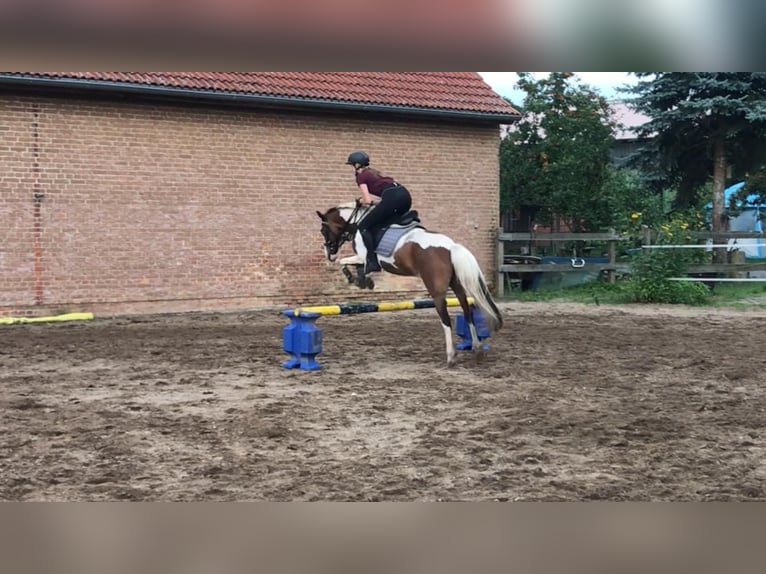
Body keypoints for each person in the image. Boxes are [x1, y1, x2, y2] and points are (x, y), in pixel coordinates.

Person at [346, 151, 412, 274]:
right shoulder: (373, 173)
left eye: (352, 165)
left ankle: (372, 262)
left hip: (392, 198)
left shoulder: (361, 176)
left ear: (357, 165)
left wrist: (361, 201)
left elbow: (368, 200)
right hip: (405, 196)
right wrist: (377, 203)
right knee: (383, 223)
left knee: (363, 227)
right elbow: (382, 201)